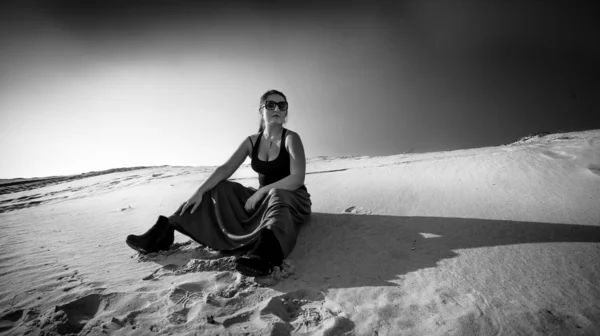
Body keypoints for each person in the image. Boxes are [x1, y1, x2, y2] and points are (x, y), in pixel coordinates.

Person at [126, 89, 312, 277]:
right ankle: (163, 233)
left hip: (292, 197)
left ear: (286, 111)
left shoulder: (291, 138)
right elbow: (225, 169)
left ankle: (266, 255)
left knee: (276, 193)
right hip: (264, 198)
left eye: (282, 105)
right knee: (220, 187)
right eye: (271, 105)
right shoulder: (251, 141)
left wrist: (262, 191)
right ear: (261, 110)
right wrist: (199, 192)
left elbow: (297, 178)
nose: (277, 109)